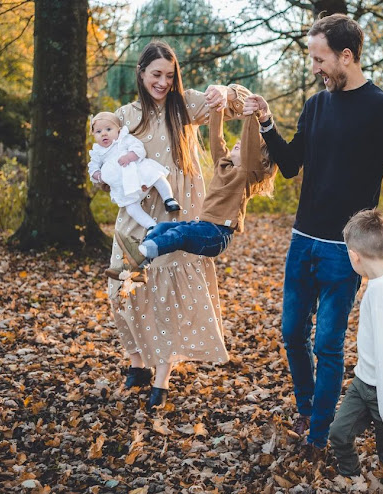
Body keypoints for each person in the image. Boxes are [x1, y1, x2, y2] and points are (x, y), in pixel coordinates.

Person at [243, 13, 383, 455]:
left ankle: (319, 434)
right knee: (292, 334)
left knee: (328, 345)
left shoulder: (382, 108)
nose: (315, 67)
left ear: (346, 56)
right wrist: (266, 122)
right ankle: (307, 410)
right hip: (303, 240)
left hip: (345, 251)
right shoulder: (315, 105)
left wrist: (381, 248)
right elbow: (290, 166)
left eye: (320, 59)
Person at [104, 40, 251, 409]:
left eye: (170, 76)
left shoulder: (185, 106)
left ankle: (162, 377)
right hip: (137, 213)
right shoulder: (125, 116)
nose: (163, 82)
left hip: (177, 212)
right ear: (141, 73)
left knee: (166, 294)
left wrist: (225, 92)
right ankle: (137, 362)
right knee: (123, 288)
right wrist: (106, 177)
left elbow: (240, 104)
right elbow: (106, 160)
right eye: (156, 74)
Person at [328, 209, 383, 493]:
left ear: (354, 256)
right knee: (339, 433)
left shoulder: (382, 294)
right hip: (364, 382)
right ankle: (352, 478)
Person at [136, 107, 277, 262]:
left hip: (218, 234)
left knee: (180, 234)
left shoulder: (248, 174)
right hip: (203, 227)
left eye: (243, 143)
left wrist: (252, 115)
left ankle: (145, 251)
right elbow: (216, 138)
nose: (238, 141)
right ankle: (140, 260)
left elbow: (250, 140)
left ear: (258, 158)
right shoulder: (223, 165)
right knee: (162, 228)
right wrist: (217, 108)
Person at [88, 111, 180, 231]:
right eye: (98, 131)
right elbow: (92, 167)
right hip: (123, 185)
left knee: (157, 176)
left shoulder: (124, 139)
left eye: (108, 129)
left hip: (138, 172)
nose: (104, 134)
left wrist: (129, 156)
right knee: (131, 208)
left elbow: (139, 148)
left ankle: (168, 199)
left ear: (118, 130)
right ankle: (152, 226)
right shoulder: (97, 151)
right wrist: (99, 176)